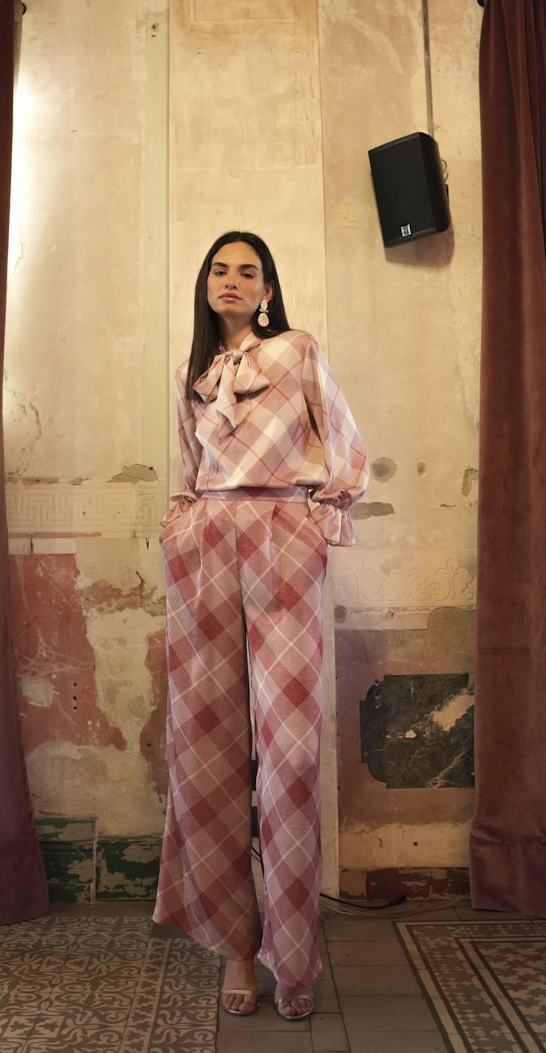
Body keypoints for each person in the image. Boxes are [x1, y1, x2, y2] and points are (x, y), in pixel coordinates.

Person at [153, 231, 368, 1021]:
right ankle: (236, 949)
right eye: (221, 269)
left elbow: (346, 447)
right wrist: (181, 526)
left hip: (283, 539)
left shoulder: (297, 352)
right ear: (206, 284)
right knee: (206, 751)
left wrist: (316, 520)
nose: (233, 281)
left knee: (291, 754)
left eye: (249, 271)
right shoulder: (193, 373)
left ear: (269, 289)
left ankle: (293, 953)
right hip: (205, 548)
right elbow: (189, 471)